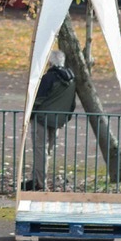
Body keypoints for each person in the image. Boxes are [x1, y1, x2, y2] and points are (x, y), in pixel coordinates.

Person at [23, 49, 76, 192]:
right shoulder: (71, 80)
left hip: (41, 119)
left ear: (50, 62)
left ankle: (40, 182)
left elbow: (38, 99)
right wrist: (64, 118)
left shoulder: (48, 78)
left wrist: (30, 113)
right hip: (58, 120)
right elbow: (71, 104)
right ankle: (37, 179)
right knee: (47, 151)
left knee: (40, 150)